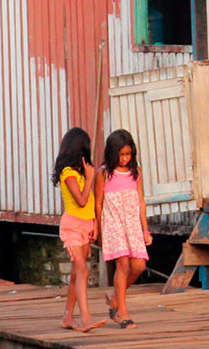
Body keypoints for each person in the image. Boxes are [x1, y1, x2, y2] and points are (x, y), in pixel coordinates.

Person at [97, 129, 151, 329]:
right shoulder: (104, 173)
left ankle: (114, 296)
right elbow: (98, 204)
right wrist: (99, 229)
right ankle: (123, 313)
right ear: (112, 153)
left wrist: (145, 230)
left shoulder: (136, 173)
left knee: (139, 266)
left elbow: (141, 201)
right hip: (113, 223)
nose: (125, 159)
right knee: (123, 265)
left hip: (132, 224)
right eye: (121, 155)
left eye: (128, 154)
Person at [53, 127, 106, 333]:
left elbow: (90, 202)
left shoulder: (82, 173)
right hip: (73, 226)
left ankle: (68, 316)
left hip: (85, 224)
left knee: (77, 273)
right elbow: (82, 200)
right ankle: (86, 317)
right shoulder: (68, 173)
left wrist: (94, 223)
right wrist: (91, 176)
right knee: (83, 269)